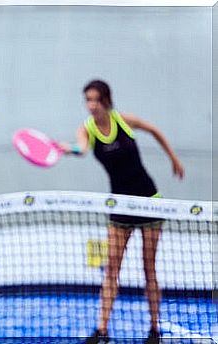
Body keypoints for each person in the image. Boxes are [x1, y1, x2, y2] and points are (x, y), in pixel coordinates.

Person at [65, 80, 184, 344]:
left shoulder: (123, 120)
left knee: (148, 269)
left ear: (106, 100)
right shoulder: (87, 129)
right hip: (120, 207)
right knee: (111, 271)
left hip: (149, 202)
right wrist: (68, 149)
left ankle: (154, 331)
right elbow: (81, 148)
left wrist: (173, 158)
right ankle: (102, 331)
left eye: (96, 99)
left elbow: (154, 130)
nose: (91, 105)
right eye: (88, 100)